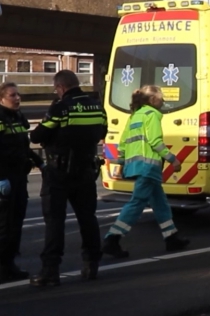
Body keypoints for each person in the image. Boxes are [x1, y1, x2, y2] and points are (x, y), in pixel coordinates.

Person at [29, 70, 108, 286]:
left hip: (59, 172)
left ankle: (50, 271)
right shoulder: (97, 106)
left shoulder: (60, 107)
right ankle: (92, 264)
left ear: (61, 87)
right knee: (88, 219)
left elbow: (37, 136)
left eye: (57, 89)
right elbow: (102, 131)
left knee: (55, 221)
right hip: (86, 171)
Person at [102, 85, 190, 259]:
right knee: (137, 203)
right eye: (161, 98)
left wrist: (121, 162)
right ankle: (112, 239)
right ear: (153, 100)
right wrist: (173, 159)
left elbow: (124, 143)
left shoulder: (135, 116)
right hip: (148, 167)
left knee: (160, 203)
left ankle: (171, 237)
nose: (164, 101)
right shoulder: (152, 115)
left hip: (137, 167)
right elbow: (155, 142)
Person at [0, 82, 44, 281]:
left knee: (16, 222)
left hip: (18, 178)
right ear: (1, 98)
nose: (17, 98)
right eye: (12, 95)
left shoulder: (17, 117)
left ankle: (9, 264)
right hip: (4, 178)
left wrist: (40, 163)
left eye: (18, 95)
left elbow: (23, 147)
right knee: (3, 224)